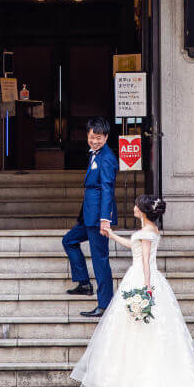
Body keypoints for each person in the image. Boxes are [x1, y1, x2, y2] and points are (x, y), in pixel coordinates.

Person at [71, 195, 194, 387]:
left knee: (140, 331)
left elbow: (145, 260)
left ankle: (138, 380)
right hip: (139, 277)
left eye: (135, 205)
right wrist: (112, 235)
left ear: (141, 210)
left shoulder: (147, 232)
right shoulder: (148, 231)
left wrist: (147, 287)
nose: (132, 207)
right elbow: (134, 246)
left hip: (141, 279)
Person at [62, 116, 117, 318]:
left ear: (106, 137)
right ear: (88, 135)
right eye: (92, 136)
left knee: (100, 259)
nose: (95, 141)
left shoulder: (107, 158)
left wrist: (105, 219)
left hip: (98, 218)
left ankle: (104, 304)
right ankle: (84, 283)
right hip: (88, 215)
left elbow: (107, 189)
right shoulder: (95, 155)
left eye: (99, 137)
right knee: (69, 241)